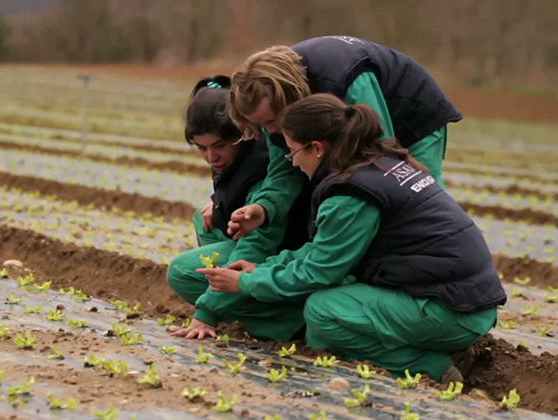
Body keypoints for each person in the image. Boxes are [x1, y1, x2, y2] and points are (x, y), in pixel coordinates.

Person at [198, 93, 506, 382]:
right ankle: (432, 347)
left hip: (452, 310)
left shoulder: (351, 193)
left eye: (292, 151)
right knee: (327, 316)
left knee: (323, 313)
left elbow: (319, 271)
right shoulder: (379, 162)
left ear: (317, 148)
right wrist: (261, 270)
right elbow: (322, 251)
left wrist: (246, 284)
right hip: (464, 300)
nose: (291, 161)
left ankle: (429, 366)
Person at [226, 35, 461, 239]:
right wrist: (265, 206)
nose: (272, 130)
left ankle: (451, 261)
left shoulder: (344, 76)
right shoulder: (274, 113)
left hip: (412, 118)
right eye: (262, 125)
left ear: (289, 98)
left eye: (272, 121)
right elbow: (284, 169)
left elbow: (380, 153)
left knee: (414, 199)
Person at [166, 75, 309, 342]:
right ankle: (243, 307)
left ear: (242, 134)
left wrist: (205, 312)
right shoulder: (239, 156)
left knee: (181, 272)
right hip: (264, 244)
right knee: (204, 217)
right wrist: (217, 205)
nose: (211, 157)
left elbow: (259, 241)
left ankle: (287, 320)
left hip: (283, 249)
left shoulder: (264, 166)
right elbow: (233, 190)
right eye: (201, 148)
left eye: (219, 146)